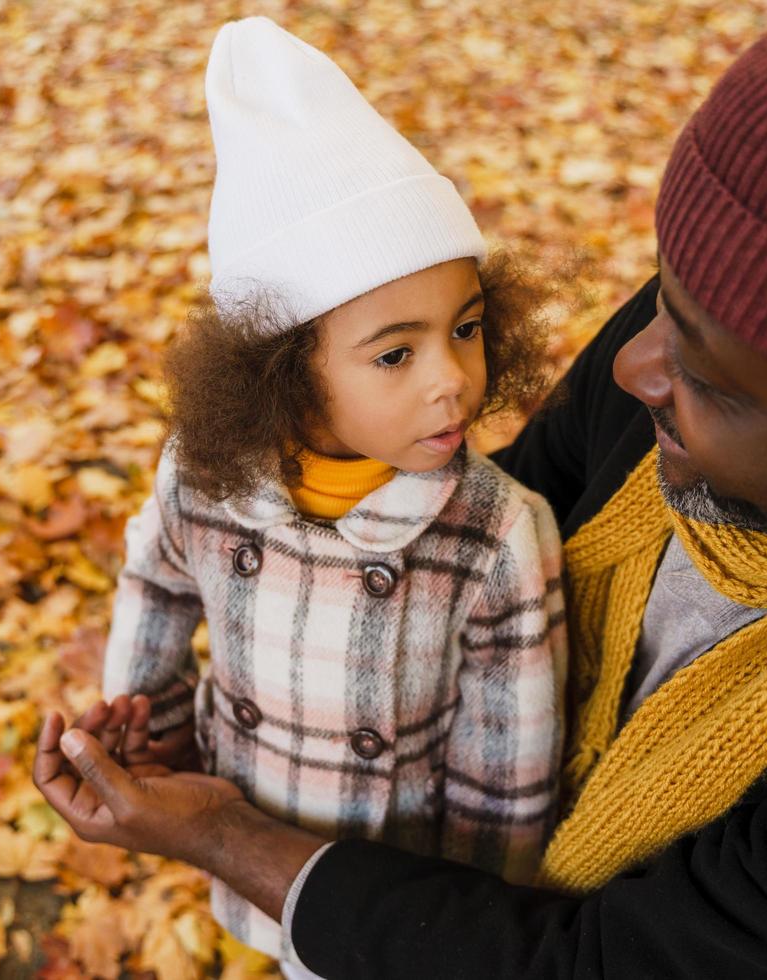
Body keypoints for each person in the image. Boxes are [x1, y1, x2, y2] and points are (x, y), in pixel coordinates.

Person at [36, 0, 767, 975]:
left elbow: (598, 964)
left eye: (704, 373)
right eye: (663, 297)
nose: (631, 366)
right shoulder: (711, 342)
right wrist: (238, 711)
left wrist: (225, 832)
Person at [39, 16, 570, 969]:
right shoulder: (203, 482)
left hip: (395, 902)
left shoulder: (494, 537)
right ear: (284, 371)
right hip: (239, 825)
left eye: (468, 327)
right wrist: (145, 733)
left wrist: (471, 926)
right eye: (395, 353)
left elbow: (506, 776)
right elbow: (158, 586)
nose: (450, 379)